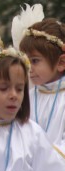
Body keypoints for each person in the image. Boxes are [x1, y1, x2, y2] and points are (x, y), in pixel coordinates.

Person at [18, 18, 65, 154]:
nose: (28, 67)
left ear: (61, 63)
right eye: (25, 61)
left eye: (35, 61)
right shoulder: (26, 97)